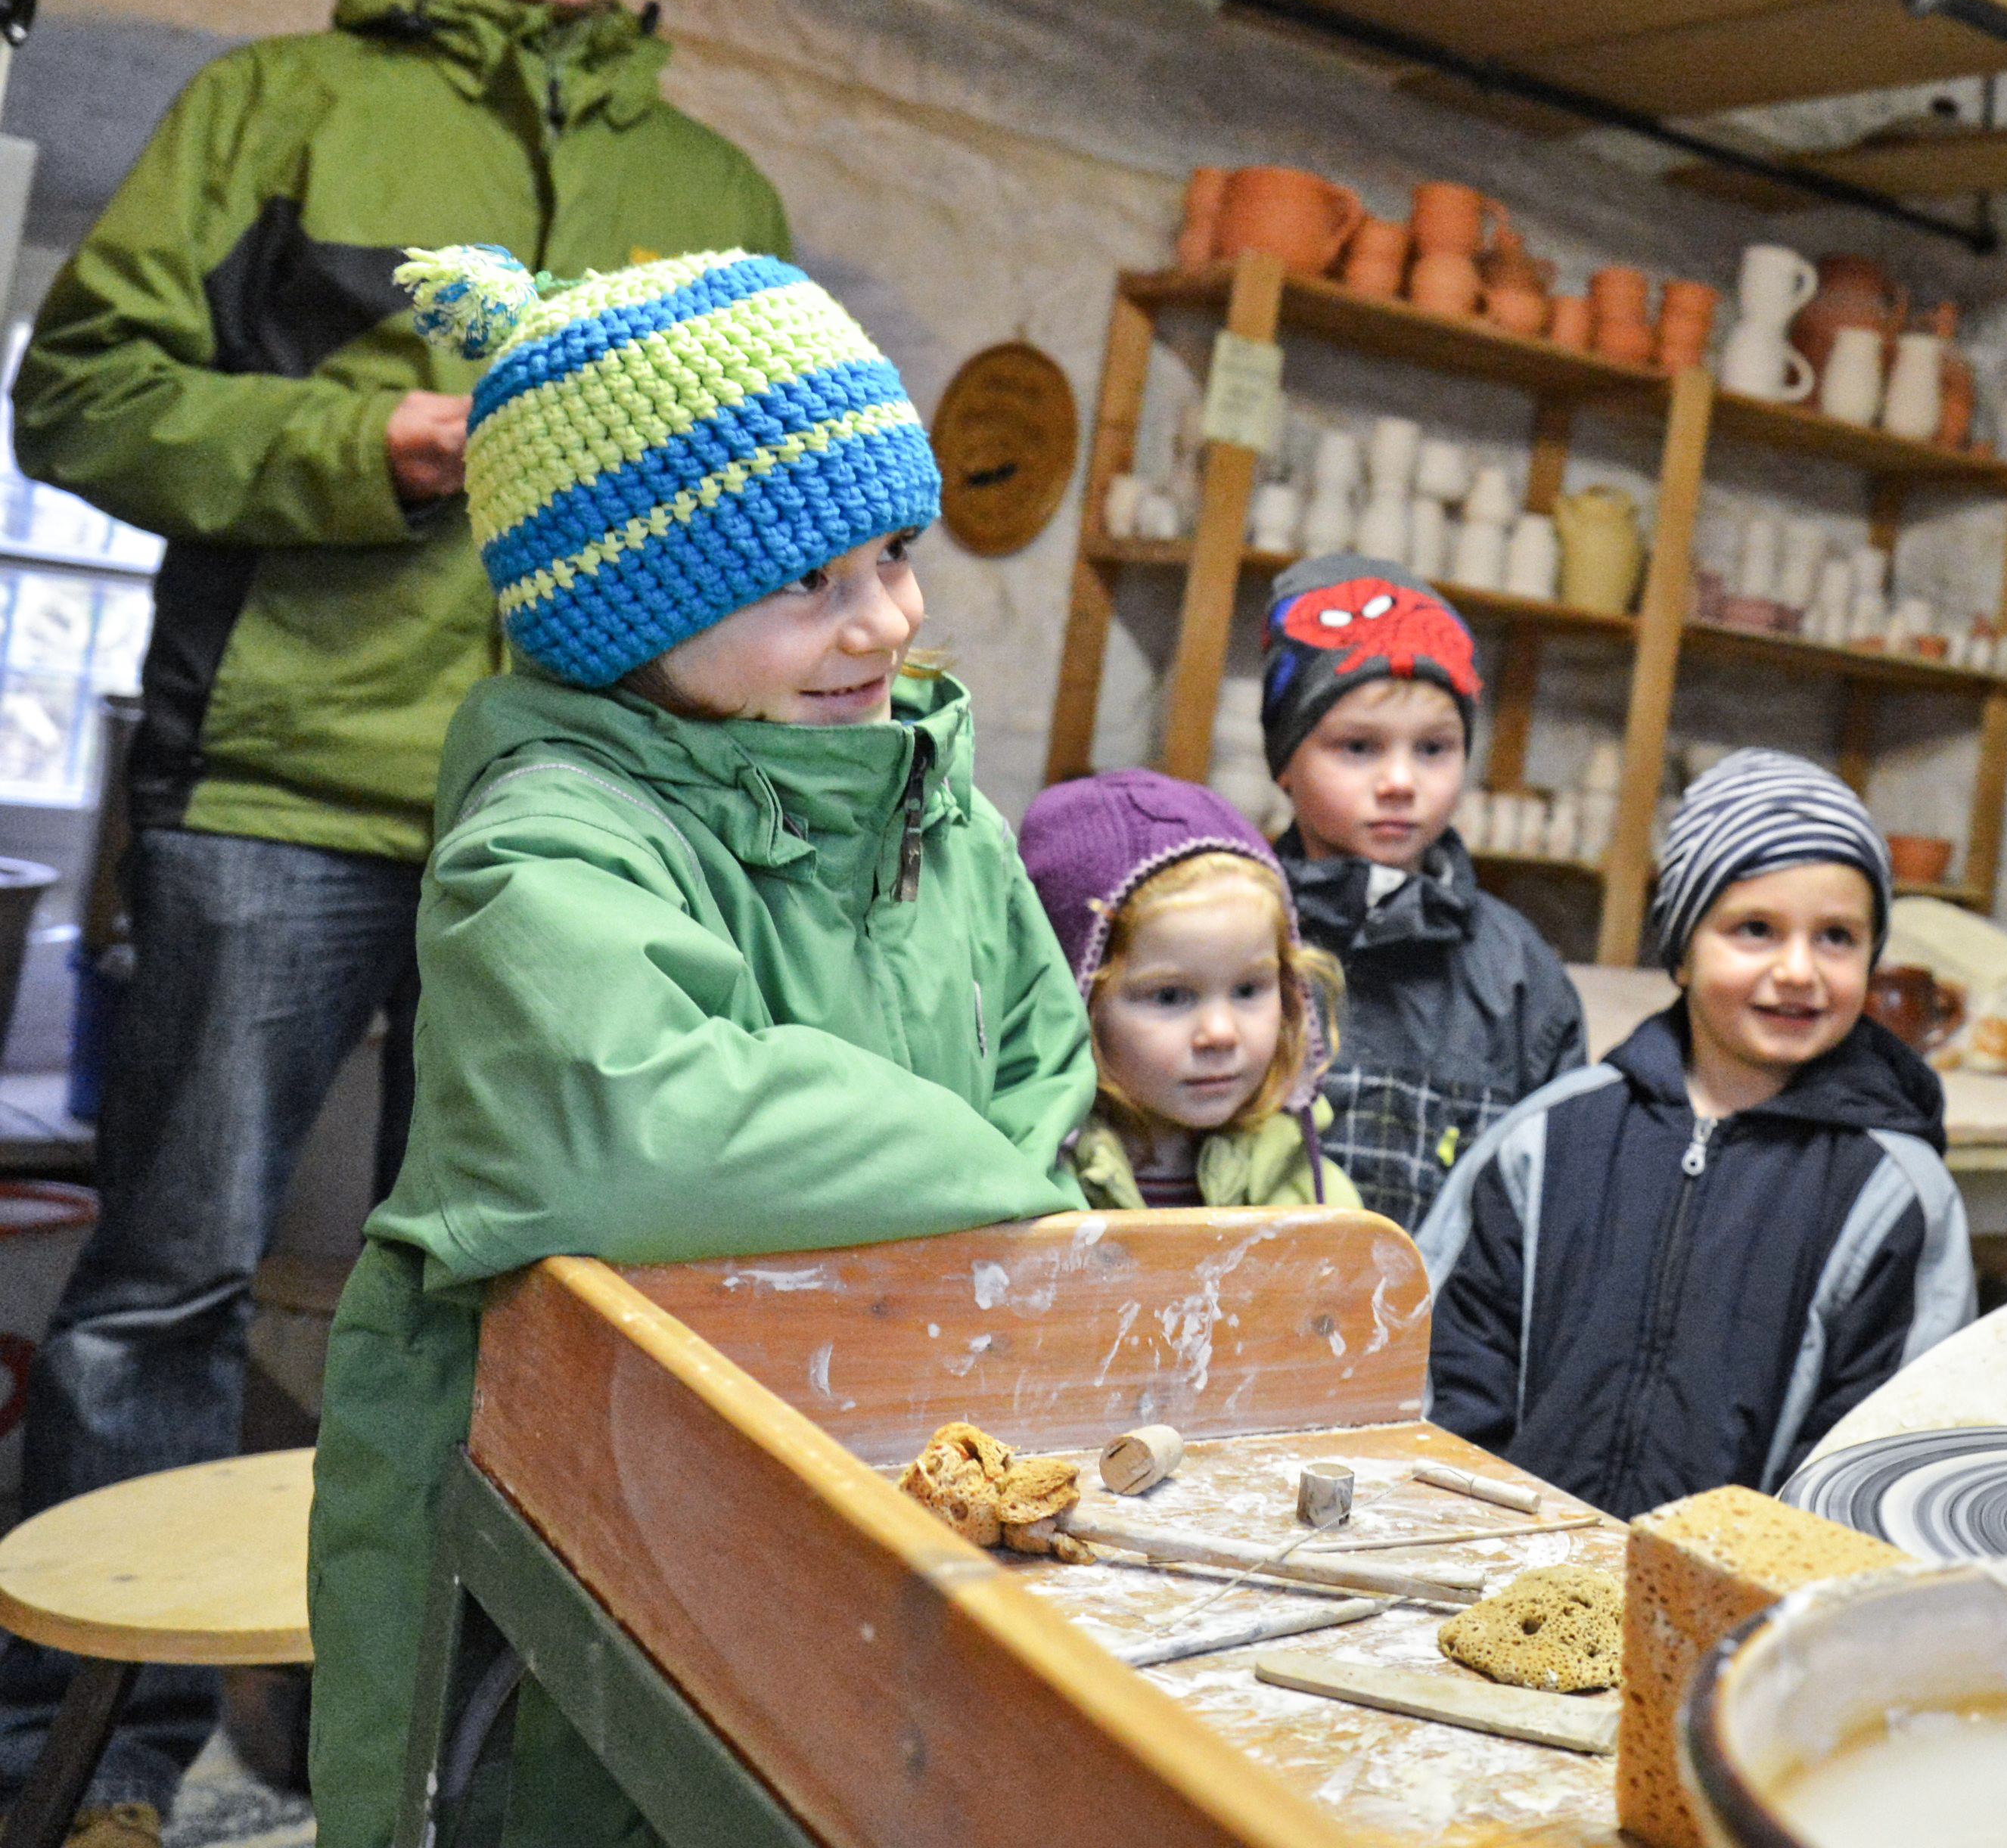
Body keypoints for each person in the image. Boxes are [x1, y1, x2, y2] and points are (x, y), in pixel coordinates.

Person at [2, 0, 791, 1829]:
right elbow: (71, 398)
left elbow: (780, 531)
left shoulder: (714, 187)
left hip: (572, 839)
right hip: (274, 791)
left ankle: (458, 1771)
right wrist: (376, 443)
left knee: (520, 1310)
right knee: (162, 1290)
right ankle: (102, 1776)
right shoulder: (279, 109)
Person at [302, 246, 1094, 1846]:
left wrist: (1006, 1180)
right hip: (564, 1471)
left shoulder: (933, 805)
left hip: (856, 1413)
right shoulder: (542, 848)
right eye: (809, 583)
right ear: (619, 613)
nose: (887, 616)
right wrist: (999, 1189)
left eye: (894, 549)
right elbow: (642, 1118)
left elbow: (1040, 1049)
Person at [1419, 750, 1971, 1517]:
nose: (1798, 970)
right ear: (1681, 949)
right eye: (1755, 929)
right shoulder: (1547, 1140)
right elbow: (1448, 1367)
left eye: (1837, 937)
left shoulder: (1894, 1192)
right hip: (1511, 1577)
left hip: (1744, 1608)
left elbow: (1882, 1452)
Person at [1257, 553, 1580, 1223]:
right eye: (1359, 747)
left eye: (1433, 749)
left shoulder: (1520, 975)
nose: (1401, 781)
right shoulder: (1237, 935)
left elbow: (1560, 1198)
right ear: (1286, 762)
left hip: (1448, 1324)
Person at [1017, 768, 1362, 1211]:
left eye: (1248, 989)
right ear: (1075, 1000)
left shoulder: (1314, 1198)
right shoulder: (1028, 1196)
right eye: (1170, 996)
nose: (1220, 1033)